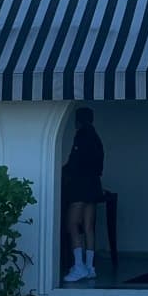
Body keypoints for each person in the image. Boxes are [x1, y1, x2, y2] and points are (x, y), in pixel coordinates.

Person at [61, 107, 105, 283]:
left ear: (77, 120)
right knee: (88, 226)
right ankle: (90, 267)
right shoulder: (97, 138)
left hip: (80, 185)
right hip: (94, 184)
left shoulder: (81, 135)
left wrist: (63, 171)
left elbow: (74, 161)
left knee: (72, 224)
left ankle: (79, 266)